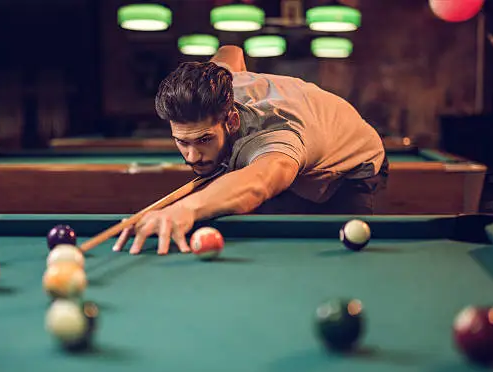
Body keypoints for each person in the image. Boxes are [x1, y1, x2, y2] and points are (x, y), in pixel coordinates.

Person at [113, 45, 388, 255]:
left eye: (204, 140)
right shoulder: (219, 84)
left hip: (352, 167)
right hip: (306, 137)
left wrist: (185, 208)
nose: (192, 157)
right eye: (182, 142)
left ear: (231, 121)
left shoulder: (275, 137)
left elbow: (260, 180)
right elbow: (230, 52)